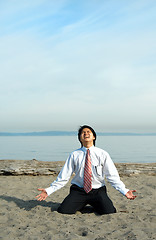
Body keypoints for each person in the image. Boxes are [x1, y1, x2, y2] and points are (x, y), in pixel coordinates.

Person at [36, 125, 136, 215]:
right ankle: (81, 203)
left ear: (94, 137)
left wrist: (125, 191)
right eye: (83, 133)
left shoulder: (102, 154)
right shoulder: (74, 154)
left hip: (98, 191)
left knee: (109, 211)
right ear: (80, 138)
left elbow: (112, 176)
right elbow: (63, 177)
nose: (86, 133)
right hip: (79, 191)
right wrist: (48, 191)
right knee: (64, 210)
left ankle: (94, 204)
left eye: (89, 132)